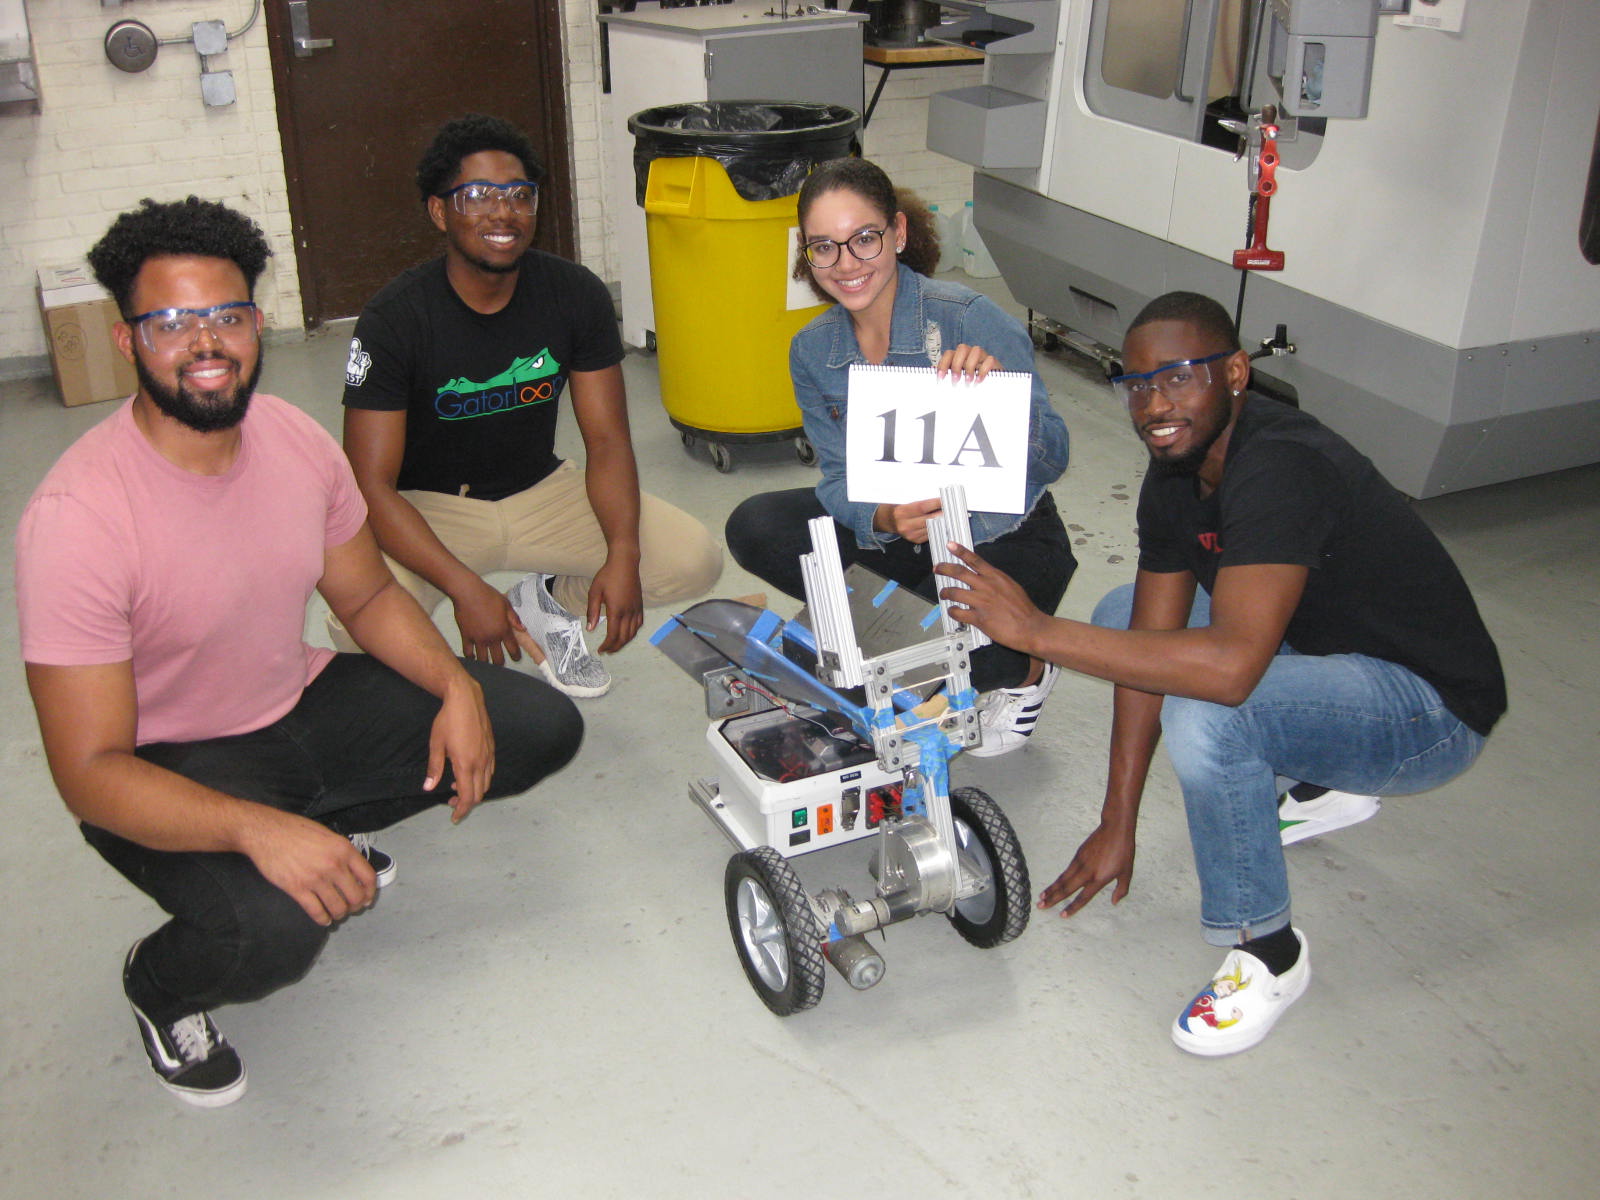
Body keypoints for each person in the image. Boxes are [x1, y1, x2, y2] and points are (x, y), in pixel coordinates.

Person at [16, 197, 584, 1107]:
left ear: (257, 322)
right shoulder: (76, 519)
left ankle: (324, 823)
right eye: (173, 322)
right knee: (276, 930)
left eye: (227, 315)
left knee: (533, 726)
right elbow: (89, 772)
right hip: (168, 762)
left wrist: (454, 686)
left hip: (296, 703)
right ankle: (159, 986)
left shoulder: (291, 437)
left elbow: (365, 596)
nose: (207, 343)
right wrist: (257, 830)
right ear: (128, 341)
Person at [935, 291, 1506, 1056]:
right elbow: (1149, 641)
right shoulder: (1177, 469)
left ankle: (1268, 952)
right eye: (1137, 384)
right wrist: (1118, 819)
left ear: (1235, 373)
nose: (1153, 405)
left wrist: (1037, 631)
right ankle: (1320, 782)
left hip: (1428, 710)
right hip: (1325, 653)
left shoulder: (1281, 465)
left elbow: (1231, 672)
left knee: (1210, 713)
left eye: (1178, 377)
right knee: (1123, 616)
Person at [340, 113, 721, 698]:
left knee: (690, 560)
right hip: (432, 507)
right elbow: (370, 485)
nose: (504, 212)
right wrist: (464, 588)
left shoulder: (574, 294)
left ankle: (544, 601)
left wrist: (623, 554)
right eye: (478, 196)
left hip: (542, 491)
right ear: (440, 212)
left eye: (520, 195)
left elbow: (607, 442)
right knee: (352, 621)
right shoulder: (394, 319)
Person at [724, 158, 1075, 754]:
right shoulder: (812, 349)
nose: (846, 264)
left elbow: (1053, 458)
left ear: (899, 232)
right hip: (900, 537)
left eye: (864, 238)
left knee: (932, 669)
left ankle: (1028, 669)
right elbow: (837, 479)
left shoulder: (967, 317)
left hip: (998, 536)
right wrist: (882, 517)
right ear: (807, 255)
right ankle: (893, 622)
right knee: (756, 524)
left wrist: (1002, 397)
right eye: (823, 247)